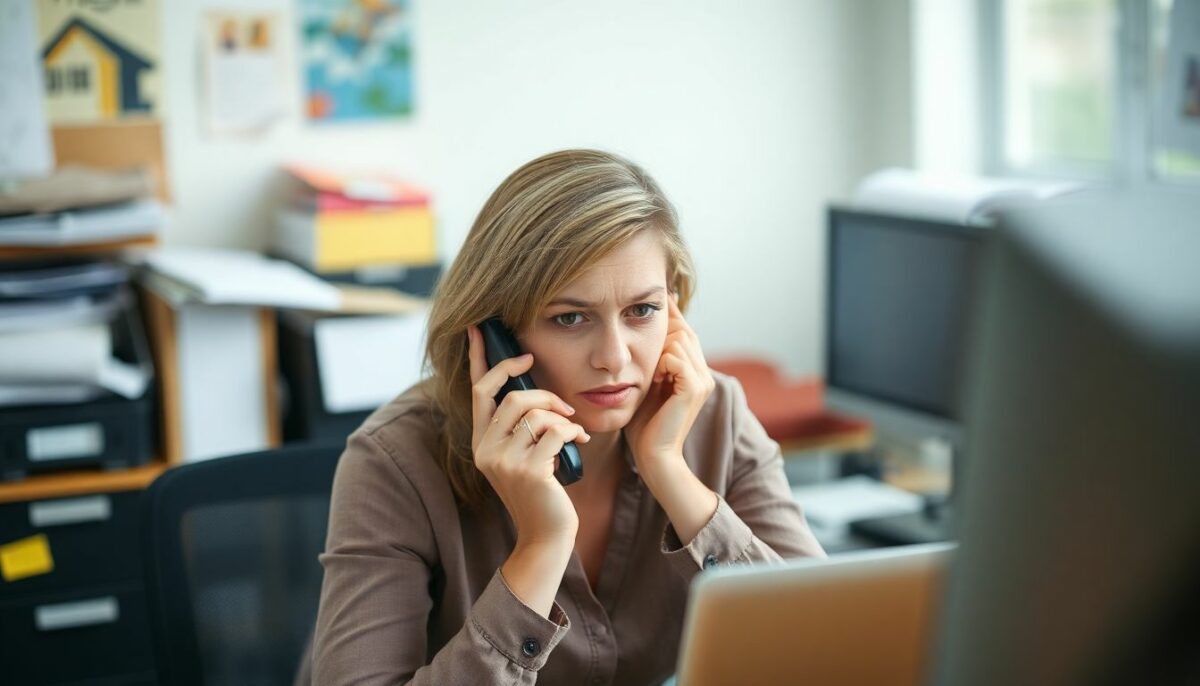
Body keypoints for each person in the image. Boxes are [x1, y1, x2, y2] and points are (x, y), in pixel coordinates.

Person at [304, 149, 825, 685]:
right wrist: (541, 546)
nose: (615, 357)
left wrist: (670, 472)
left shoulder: (715, 415)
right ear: (495, 334)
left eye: (641, 311)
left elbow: (830, 650)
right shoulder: (394, 460)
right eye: (570, 318)